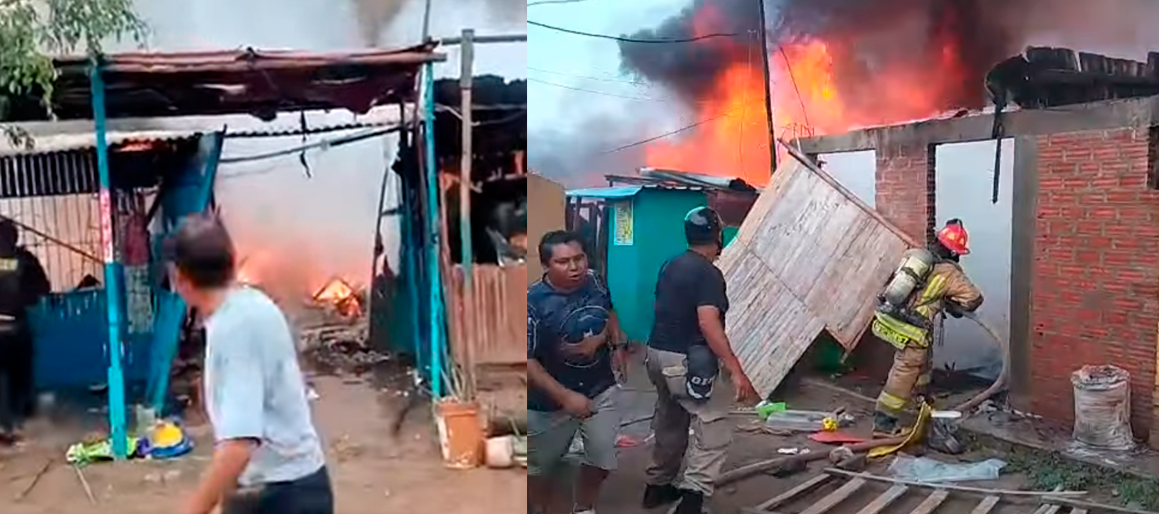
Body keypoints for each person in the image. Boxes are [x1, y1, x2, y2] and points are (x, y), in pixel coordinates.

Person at [168, 215, 332, 514]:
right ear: (231, 263)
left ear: (180, 278)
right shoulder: (249, 305)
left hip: (282, 495)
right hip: (281, 486)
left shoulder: (234, 327)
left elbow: (238, 446)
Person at [641, 207, 759, 514]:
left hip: (656, 354)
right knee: (713, 421)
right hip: (685, 360)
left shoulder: (672, 264)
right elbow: (708, 323)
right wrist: (735, 370)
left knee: (670, 418)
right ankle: (692, 499)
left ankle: (657, 487)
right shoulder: (708, 274)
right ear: (717, 236)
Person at [527, 230, 625, 514]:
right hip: (548, 402)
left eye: (579, 258)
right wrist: (566, 397)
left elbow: (609, 310)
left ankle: (584, 508)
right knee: (539, 468)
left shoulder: (595, 280)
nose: (575, 267)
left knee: (602, 459)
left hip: (599, 389)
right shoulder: (533, 303)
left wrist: (614, 341)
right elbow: (527, 361)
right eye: (563, 261)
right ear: (546, 266)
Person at [870, 219, 984, 438]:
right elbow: (974, 298)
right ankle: (883, 425)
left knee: (923, 360)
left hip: (888, 318)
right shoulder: (950, 273)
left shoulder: (914, 256)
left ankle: (921, 401)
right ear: (954, 252)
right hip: (912, 329)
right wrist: (955, 307)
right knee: (905, 370)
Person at [0, 218, 49, 445]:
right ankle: (19, 421)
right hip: (17, 325)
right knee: (21, 374)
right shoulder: (24, 259)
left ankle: (5, 425)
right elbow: (42, 288)